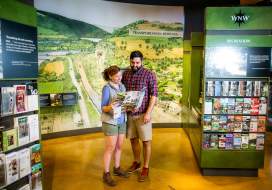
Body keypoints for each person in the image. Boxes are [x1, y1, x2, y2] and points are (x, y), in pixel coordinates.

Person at [122, 50, 158, 182]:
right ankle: (136, 162)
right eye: (132, 62)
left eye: (137, 62)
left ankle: (146, 167)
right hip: (130, 114)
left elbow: (153, 95)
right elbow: (123, 92)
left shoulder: (149, 74)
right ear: (130, 61)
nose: (135, 65)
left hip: (144, 115)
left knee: (146, 141)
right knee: (133, 139)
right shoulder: (125, 74)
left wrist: (148, 113)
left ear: (142, 61)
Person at [101, 65, 129, 186]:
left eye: (120, 75)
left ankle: (117, 168)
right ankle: (106, 174)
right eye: (116, 76)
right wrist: (111, 106)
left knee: (119, 146)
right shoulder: (106, 88)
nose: (119, 77)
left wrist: (130, 105)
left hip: (122, 120)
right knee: (110, 148)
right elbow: (103, 108)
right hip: (110, 122)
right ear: (110, 76)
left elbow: (124, 102)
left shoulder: (122, 86)